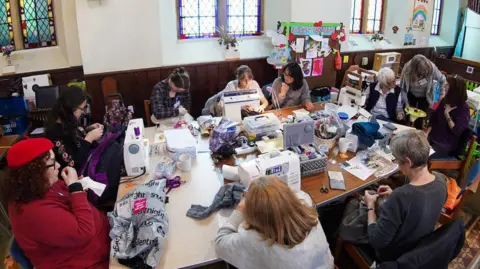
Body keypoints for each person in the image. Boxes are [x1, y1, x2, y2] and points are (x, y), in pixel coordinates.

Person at [2, 138, 110, 269]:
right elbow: (84, 232)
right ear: (34, 173)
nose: (58, 165)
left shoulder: (40, 185)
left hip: (103, 241)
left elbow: (65, 198)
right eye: (52, 163)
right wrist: (76, 190)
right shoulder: (33, 213)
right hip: (89, 262)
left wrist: (76, 188)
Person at [215, 176, 334, 269]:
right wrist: (275, 194)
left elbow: (220, 243)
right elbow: (295, 195)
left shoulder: (253, 240)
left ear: (254, 213)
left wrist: (240, 209)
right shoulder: (307, 207)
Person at [365, 130, 447, 262]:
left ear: (408, 162)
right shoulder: (440, 181)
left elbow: (377, 241)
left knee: (353, 204)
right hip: (419, 249)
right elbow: (421, 207)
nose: (397, 163)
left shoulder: (401, 196)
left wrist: (370, 207)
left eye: (396, 159)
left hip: (395, 257)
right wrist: (395, 196)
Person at [45, 86, 104, 172]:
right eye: (82, 108)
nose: (84, 112)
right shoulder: (54, 132)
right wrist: (89, 139)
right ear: (71, 108)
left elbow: (74, 135)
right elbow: (73, 164)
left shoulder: (68, 119)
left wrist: (88, 129)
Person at [426, 75, 470, 158]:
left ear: (454, 89)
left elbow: (457, 131)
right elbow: (433, 119)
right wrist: (426, 133)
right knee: (414, 149)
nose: (445, 86)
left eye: (447, 85)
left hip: (446, 145)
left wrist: (447, 114)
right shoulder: (445, 100)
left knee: (423, 156)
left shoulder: (463, 108)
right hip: (433, 137)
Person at [202, 65, 269, 116]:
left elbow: (265, 102)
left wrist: (262, 107)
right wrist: (240, 108)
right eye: (244, 80)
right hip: (232, 115)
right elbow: (221, 105)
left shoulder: (254, 84)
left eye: (249, 79)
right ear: (238, 79)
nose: (247, 82)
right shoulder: (232, 86)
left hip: (250, 115)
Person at [400, 54, 446, 129]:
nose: (424, 75)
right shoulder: (407, 69)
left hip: (425, 96)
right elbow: (403, 89)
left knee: (421, 118)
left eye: (426, 73)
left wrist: (441, 93)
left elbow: (442, 80)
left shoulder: (432, 68)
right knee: (408, 116)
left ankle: (418, 132)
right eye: (422, 73)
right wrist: (406, 103)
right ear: (415, 69)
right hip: (410, 94)